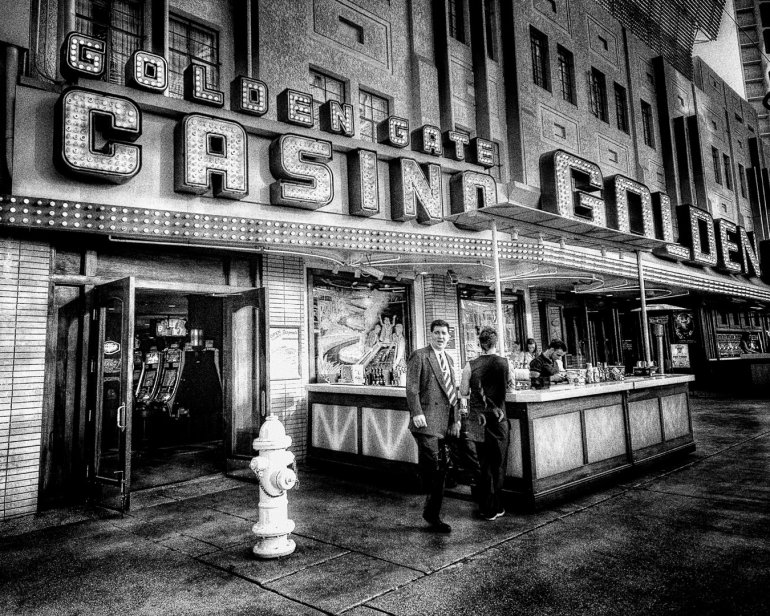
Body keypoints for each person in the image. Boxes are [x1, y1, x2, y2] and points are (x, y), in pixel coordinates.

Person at [406, 319, 462, 533]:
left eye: (444, 333)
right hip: (426, 422)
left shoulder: (448, 358)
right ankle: (432, 515)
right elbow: (412, 388)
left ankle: (431, 511)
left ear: (449, 337)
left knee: (442, 469)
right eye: (437, 333)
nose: (440, 337)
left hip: (445, 423)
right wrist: (417, 412)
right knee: (437, 469)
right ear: (430, 335)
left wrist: (456, 419)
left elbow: (452, 393)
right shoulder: (420, 356)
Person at [459, 327, 514, 521]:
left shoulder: (469, 365)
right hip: (498, 420)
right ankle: (497, 507)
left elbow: (463, 392)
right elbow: (511, 386)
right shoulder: (506, 363)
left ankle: (485, 508)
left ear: (479, 344)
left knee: (482, 465)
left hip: (478, 421)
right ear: (496, 342)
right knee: (498, 464)